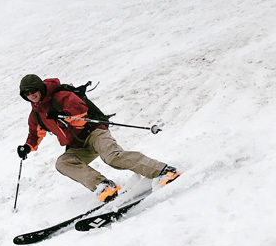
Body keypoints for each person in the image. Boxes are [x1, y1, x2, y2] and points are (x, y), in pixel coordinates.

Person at [16, 74, 179, 202]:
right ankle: (104, 186)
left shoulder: (61, 95)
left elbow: (80, 112)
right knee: (63, 163)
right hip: (78, 145)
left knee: (112, 158)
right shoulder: (36, 114)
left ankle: (164, 171)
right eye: (27, 93)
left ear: (40, 88)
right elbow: (35, 134)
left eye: (33, 90)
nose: (31, 95)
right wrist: (27, 147)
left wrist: (62, 115)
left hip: (94, 132)